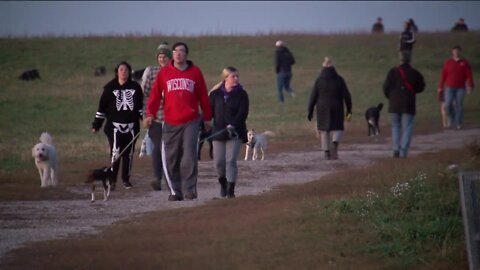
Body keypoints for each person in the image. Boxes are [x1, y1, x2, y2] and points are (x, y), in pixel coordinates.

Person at [144, 42, 212, 201]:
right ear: (172, 55)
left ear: (186, 54)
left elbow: (203, 96)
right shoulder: (164, 73)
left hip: (191, 121)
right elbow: (154, 96)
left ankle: (189, 190)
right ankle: (175, 191)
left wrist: (208, 117)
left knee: (189, 155)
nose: (178, 54)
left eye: (181, 51)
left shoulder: (195, 72)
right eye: (175, 51)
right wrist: (150, 114)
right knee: (171, 157)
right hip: (170, 122)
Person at [91, 61, 144, 189]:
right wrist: (96, 125)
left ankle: (126, 179)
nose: (123, 72)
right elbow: (101, 108)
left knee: (129, 154)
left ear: (129, 72)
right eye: (121, 69)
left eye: (126, 69)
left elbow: (140, 107)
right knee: (115, 152)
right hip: (114, 127)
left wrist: (145, 120)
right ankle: (112, 179)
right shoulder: (109, 88)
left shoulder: (136, 87)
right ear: (117, 72)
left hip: (132, 126)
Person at [209, 67, 249, 198]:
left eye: (237, 76)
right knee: (219, 162)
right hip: (218, 132)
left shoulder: (242, 94)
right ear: (225, 78)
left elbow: (243, 113)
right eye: (233, 76)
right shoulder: (215, 94)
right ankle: (223, 183)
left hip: (236, 132)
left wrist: (233, 124)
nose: (236, 79)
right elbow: (208, 111)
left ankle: (231, 190)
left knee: (230, 160)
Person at [140, 42, 172, 191]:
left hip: (173, 117)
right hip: (156, 117)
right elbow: (144, 94)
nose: (162, 59)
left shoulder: (175, 71)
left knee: (171, 149)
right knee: (158, 148)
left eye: (165, 56)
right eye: (160, 56)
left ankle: (171, 178)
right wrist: (147, 114)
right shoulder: (151, 72)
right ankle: (157, 178)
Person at [307, 57, 352, 160]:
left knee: (324, 129)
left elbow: (313, 96)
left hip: (322, 107)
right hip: (337, 106)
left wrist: (310, 111)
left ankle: (326, 152)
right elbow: (347, 96)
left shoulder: (319, 80)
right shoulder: (339, 80)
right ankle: (335, 143)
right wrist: (349, 111)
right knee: (338, 127)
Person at [383, 51, 425, 158]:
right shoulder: (415, 73)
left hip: (394, 104)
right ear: (410, 60)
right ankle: (403, 151)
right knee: (407, 127)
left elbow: (385, 87)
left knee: (395, 127)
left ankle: (396, 149)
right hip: (408, 104)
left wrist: (391, 97)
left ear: (400, 59)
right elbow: (421, 88)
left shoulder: (392, 72)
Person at [437, 45, 474, 130]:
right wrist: (440, 87)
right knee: (448, 104)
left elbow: (469, 75)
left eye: (458, 51)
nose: (456, 52)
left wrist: (470, 85)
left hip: (461, 88)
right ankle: (452, 118)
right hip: (449, 87)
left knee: (459, 104)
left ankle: (458, 123)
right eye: (454, 51)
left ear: (460, 52)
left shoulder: (464, 63)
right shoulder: (448, 62)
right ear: (452, 52)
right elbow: (443, 75)